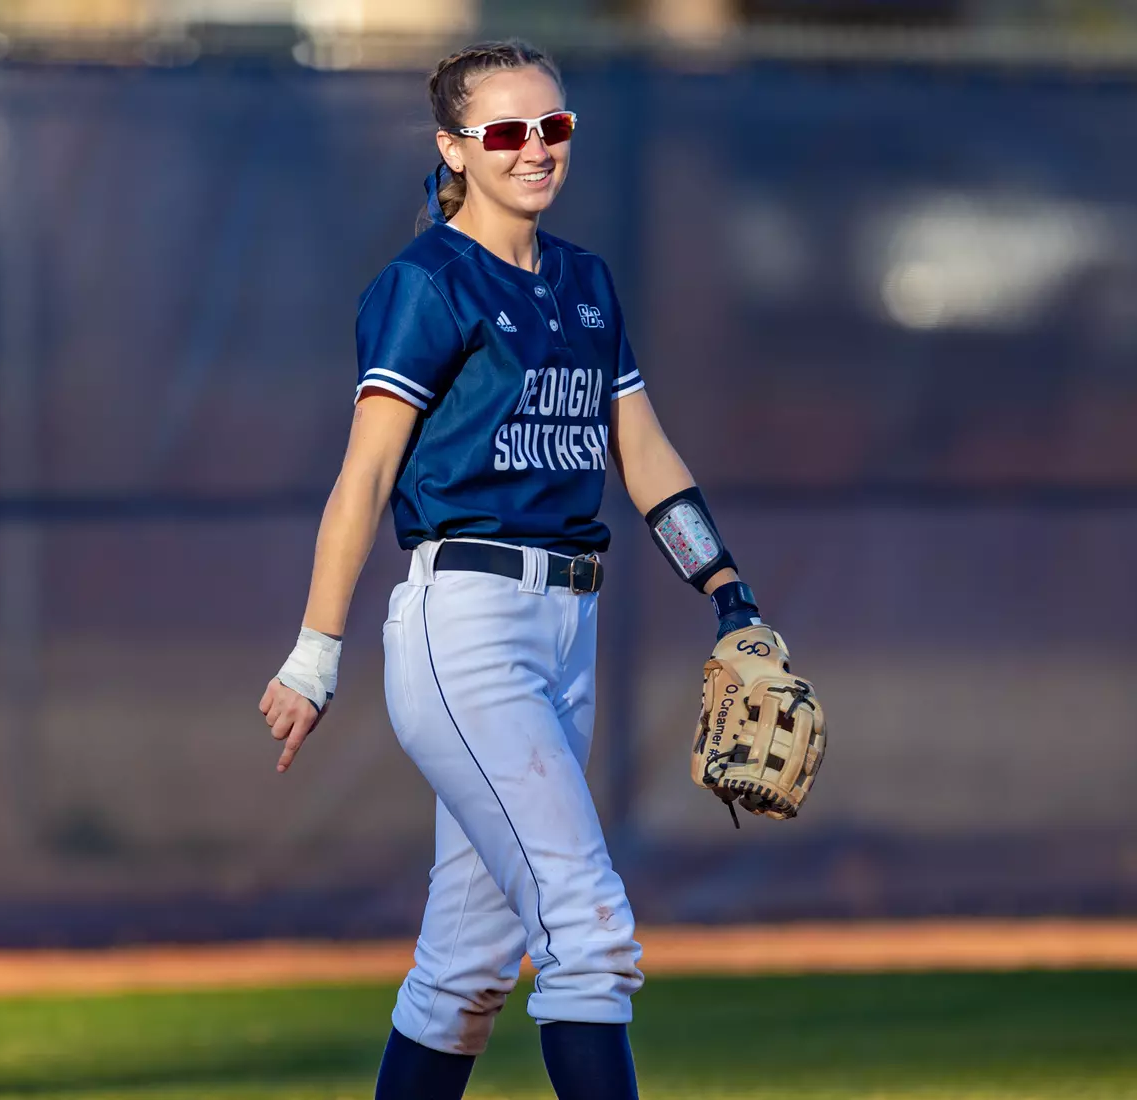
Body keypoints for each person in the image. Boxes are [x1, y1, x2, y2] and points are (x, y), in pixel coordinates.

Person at [258, 39, 769, 1100]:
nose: (534, 149)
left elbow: (646, 453)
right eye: (504, 132)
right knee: (586, 928)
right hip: (469, 625)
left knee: (467, 967)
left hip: (565, 628)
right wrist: (315, 652)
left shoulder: (584, 281)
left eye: (553, 127)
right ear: (453, 146)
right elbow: (363, 479)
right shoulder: (427, 285)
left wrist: (726, 589)